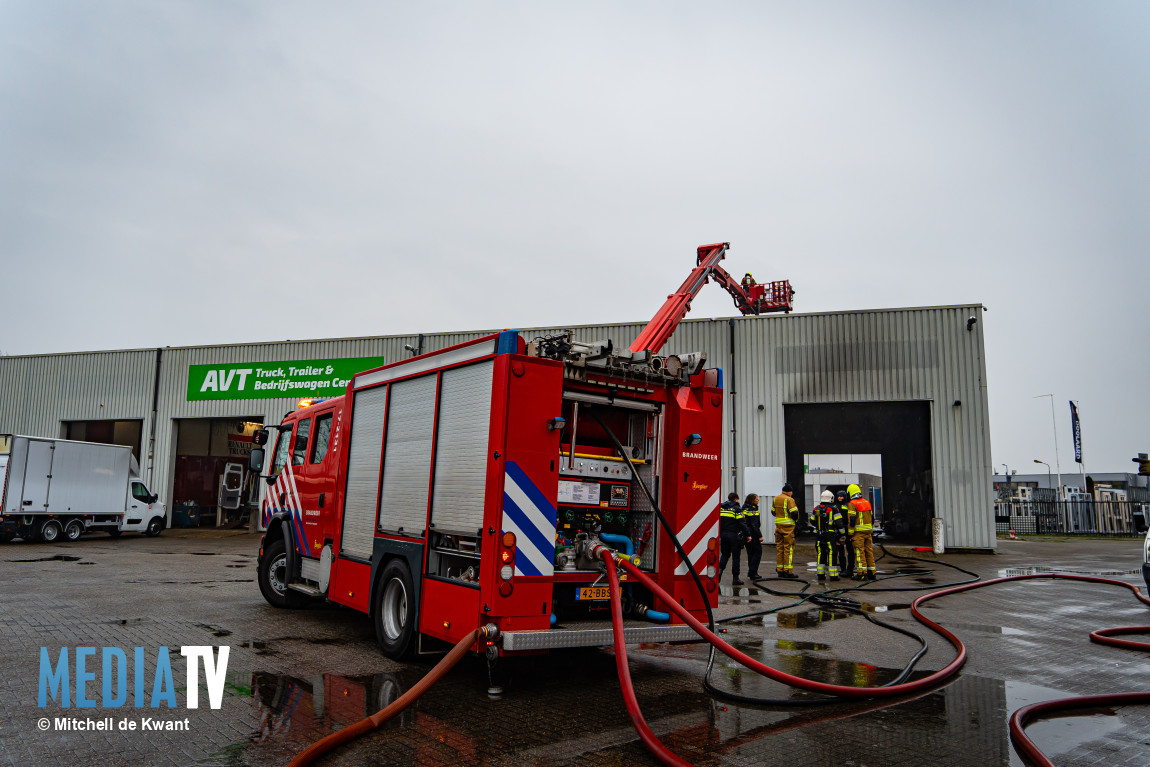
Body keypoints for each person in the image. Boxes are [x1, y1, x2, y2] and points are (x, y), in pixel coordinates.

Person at [811, 490, 846, 582]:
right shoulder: (834, 508)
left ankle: (820, 575)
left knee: (821, 553)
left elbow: (812, 521)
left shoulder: (816, 508)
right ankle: (833, 576)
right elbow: (839, 523)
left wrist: (819, 526)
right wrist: (842, 533)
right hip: (830, 535)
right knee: (832, 553)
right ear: (831, 498)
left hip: (819, 534)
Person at [718, 492, 751, 585]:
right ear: (736, 499)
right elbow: (742, 524)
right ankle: (735, 579)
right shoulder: (737, 509)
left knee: (724, 555)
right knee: (736, 557)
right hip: (734, 536)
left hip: (723, 535)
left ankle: (719, 575)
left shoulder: (721, 507)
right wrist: (748, 535)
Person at [848, 483, 876, 580]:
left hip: (858, 533)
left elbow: (851, 520)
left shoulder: (852, 504)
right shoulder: (867, 502)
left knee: (860, 553)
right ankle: (872, 573)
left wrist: (850, 534)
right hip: (868, 532)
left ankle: (861, 573)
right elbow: (872, 518)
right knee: (869, 552)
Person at [771, 483, 800, 578]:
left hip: (778, 526)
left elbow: (773, 512)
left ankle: (780, 570)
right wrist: (796, 522)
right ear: (789, 491)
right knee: (789, 548)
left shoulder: (776, 499)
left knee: (780, 548)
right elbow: (794, 513)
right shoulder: (789, 499)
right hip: (788, 528)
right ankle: (788, 571)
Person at [742, 493, 763, 579]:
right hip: (752, 534)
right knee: (758, 551)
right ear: (752, 500)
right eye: (757, 498)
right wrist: (760, 536)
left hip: (746, 534)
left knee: (750, 553)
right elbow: (754, 525)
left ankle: (752, 572)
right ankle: (753, 572)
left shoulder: (744, 507)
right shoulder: (752, 509)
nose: (758, 500)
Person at [836, 489, 855, 578]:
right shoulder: (837, 506)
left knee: (849, 550)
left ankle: (849, 569)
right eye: (838, 496)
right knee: (841, 551)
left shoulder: (847, 506)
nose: (839, 498)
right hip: (840, 530)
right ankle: (844, 569)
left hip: (847, 530)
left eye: (841, 496)